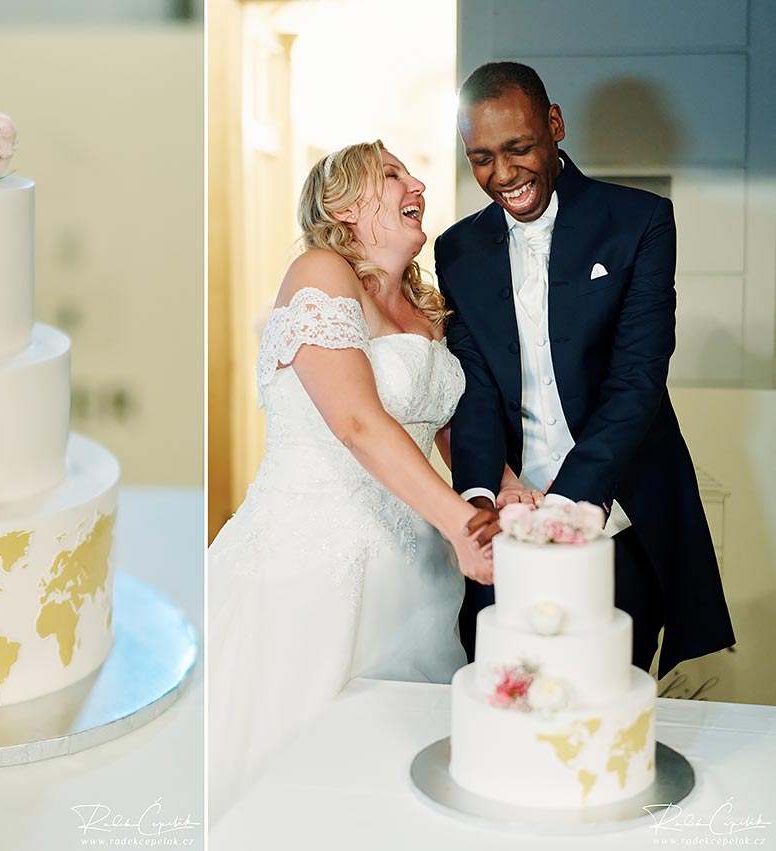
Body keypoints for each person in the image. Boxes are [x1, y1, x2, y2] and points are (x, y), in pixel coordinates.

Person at [208, 141, 515, 824]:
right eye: (393, 175)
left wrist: (513, 496)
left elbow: (452, 436)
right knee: (298, 783)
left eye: (412, 173)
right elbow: (356, 420)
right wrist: (462, 523)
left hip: (418, 581)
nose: (419, 184)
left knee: (393, 788)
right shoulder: (319, 272)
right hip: (310, 569)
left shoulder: (427, 308)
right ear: (344, 208)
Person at [435, 61, 735, 676]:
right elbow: (476, 389)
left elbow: (637, 379)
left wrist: (569, 502)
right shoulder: (457, 250)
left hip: (616, 511)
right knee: (506, 687)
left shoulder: (640, 222)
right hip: (510, 514)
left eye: (518, 148)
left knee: (602, 691)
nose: (503, 174)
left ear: (555, 125)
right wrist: (482, 494)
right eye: (482, 157)